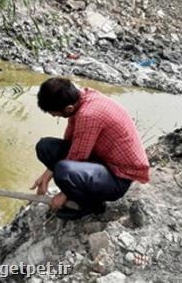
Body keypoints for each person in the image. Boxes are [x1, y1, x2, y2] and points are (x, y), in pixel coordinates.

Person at [30, 77, 150, 220]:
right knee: (45, 146)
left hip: (119, 177)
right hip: (103, 161)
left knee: (63, 171)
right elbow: (69, 142)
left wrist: (62, 195)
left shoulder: (88, 115)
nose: (55, 116)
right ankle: (81, 195)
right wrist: (46, 175)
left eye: (56, 114)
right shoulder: (82, 98)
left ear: (68, 108)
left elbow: (77, 157)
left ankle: (92, 206)